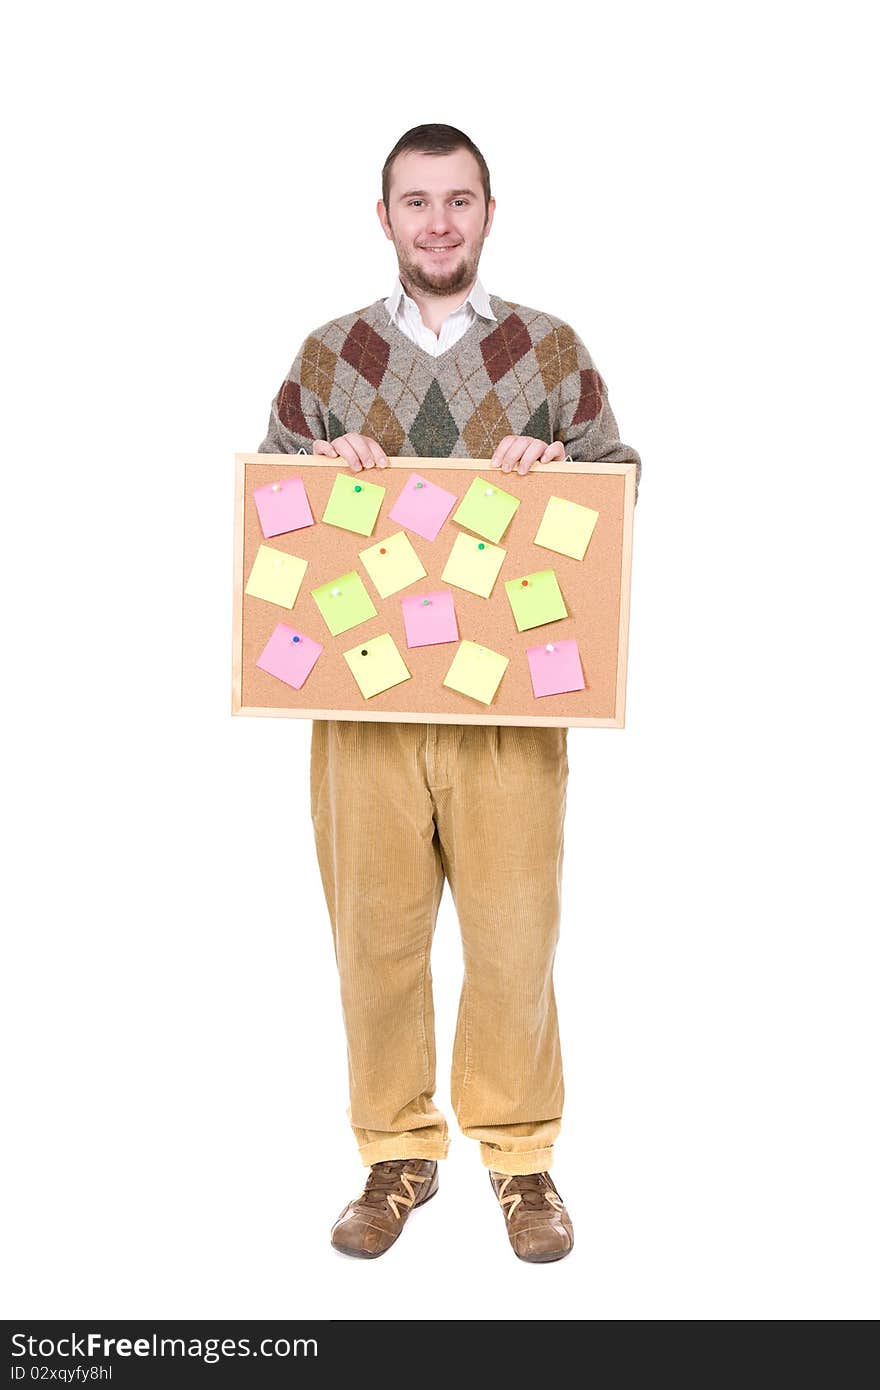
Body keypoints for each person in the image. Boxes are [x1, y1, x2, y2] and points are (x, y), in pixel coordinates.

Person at [258, 123, 641, 1263]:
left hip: (509, 705)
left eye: (457, 200)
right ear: (384, 218)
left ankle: (521, 1162)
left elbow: (619, 489)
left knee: (516, 939)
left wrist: (556, 470)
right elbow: (268, 517)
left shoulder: (550, 349)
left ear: (487, 211)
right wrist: (313, 480)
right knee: (373, 937)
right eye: (415, 201)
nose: (437, 221)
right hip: (364, 706)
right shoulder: (328, 358)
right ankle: (394, 1151)